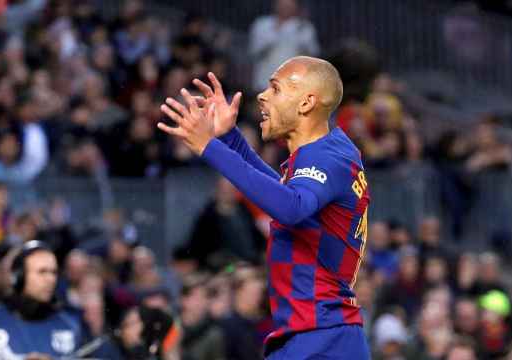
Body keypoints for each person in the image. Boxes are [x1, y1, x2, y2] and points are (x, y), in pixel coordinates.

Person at [157, 56, 370, 358]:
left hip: (322, 340)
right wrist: (229, 138)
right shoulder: (329, 151)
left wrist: (209, 146)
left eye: (276, 88)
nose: (262, 95)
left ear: (307, 102)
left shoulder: (325, 158)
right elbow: (282, 196)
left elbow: (290, 207)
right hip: (318, 335)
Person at [0, 240, 84, 359]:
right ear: (18, 276)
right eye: (42, 272)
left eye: (54, 272)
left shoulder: (69, 325)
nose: (50, 279)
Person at [248, 0, 320, 92]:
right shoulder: (262, 24)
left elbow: (313, 55)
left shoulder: (304, 27)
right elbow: (253, 52)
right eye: (282, 3)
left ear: (296, 6)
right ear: (275, 4)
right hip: (264, 81)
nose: (285, 7)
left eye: (289, 4)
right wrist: (275, 33)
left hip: (293, 84)